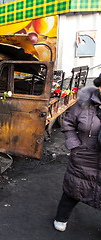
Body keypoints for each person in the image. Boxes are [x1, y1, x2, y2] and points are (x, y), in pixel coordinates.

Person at [53, 74, 101, 232]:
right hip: (84, 157)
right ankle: (61, 217)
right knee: (74, 189)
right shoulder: (84, 103)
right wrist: (75, 147)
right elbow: (68, 123)